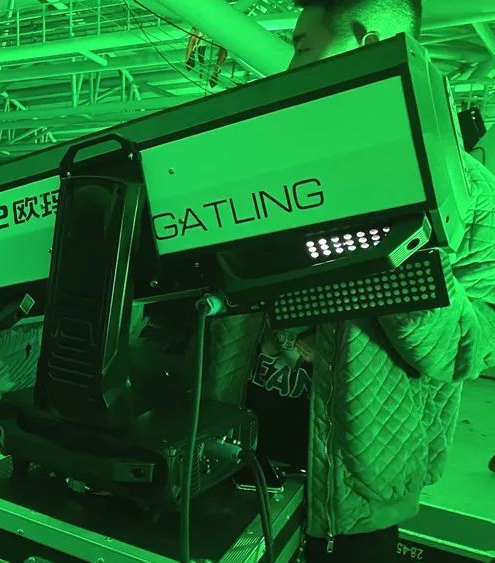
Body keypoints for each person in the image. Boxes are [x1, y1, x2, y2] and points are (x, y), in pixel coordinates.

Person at [204, 1, 495, 562]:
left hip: (356, 490)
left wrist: (404, 259)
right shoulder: (271, 170)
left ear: (368, 45)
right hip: (230, 454)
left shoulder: (470, 191)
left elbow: (472, 347)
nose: (291, 67)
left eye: (303, 46)